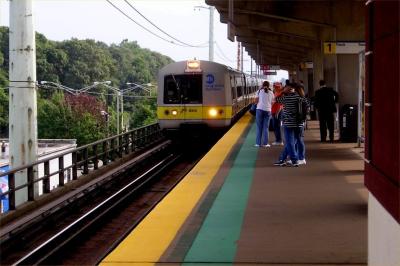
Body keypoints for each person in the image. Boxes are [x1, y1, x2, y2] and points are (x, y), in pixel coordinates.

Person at [273, 83, 307, 166]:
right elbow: (306, 107)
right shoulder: (301, 98)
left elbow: (276, 99)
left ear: (289, 89)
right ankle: (284, 159)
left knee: (290, 142)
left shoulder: (285, 98)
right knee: (297, 141)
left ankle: (294, 160)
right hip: (299, 124)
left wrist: (283, 91)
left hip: (288, 123)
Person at [254, 81, 274, 147]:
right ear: (269, 86)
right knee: (266, 127)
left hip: (259, 109)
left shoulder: (259, 91)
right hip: (268, 110)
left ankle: (258, 143)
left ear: (262, 85)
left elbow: (256, 101)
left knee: (259, 127)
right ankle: (265, 143)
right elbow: (272, 102)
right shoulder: (271, 92)